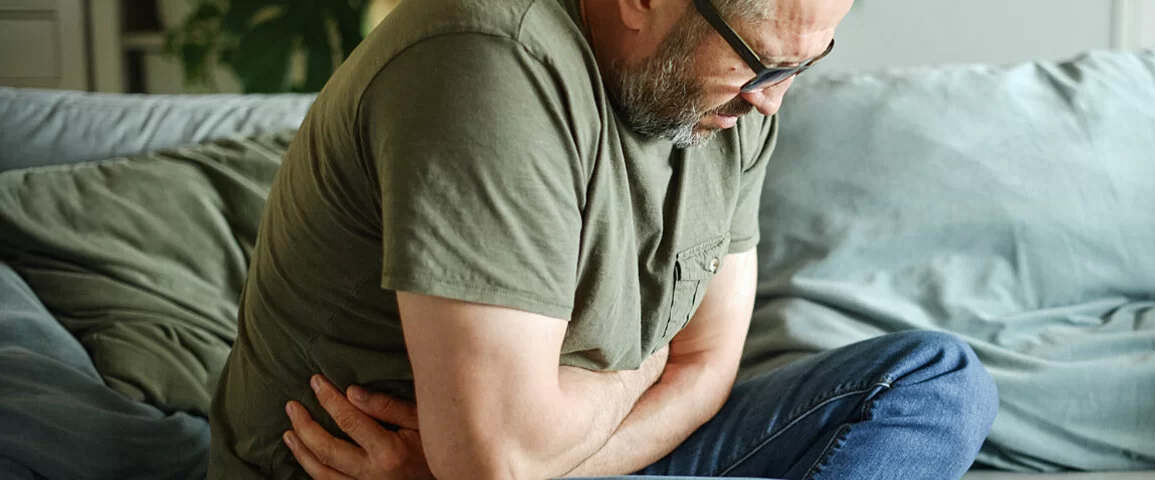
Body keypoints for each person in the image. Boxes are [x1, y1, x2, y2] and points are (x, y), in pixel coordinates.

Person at [207, 0, 999, 478]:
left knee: (936, 382)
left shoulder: (741, 99)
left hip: (495, 465)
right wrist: (636, 375)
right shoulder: (487, 63)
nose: (773, 104)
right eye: (761, 63)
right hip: (361, 469)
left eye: (806, 63)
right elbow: (499, 458)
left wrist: (525, 457)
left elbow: (708, 365)